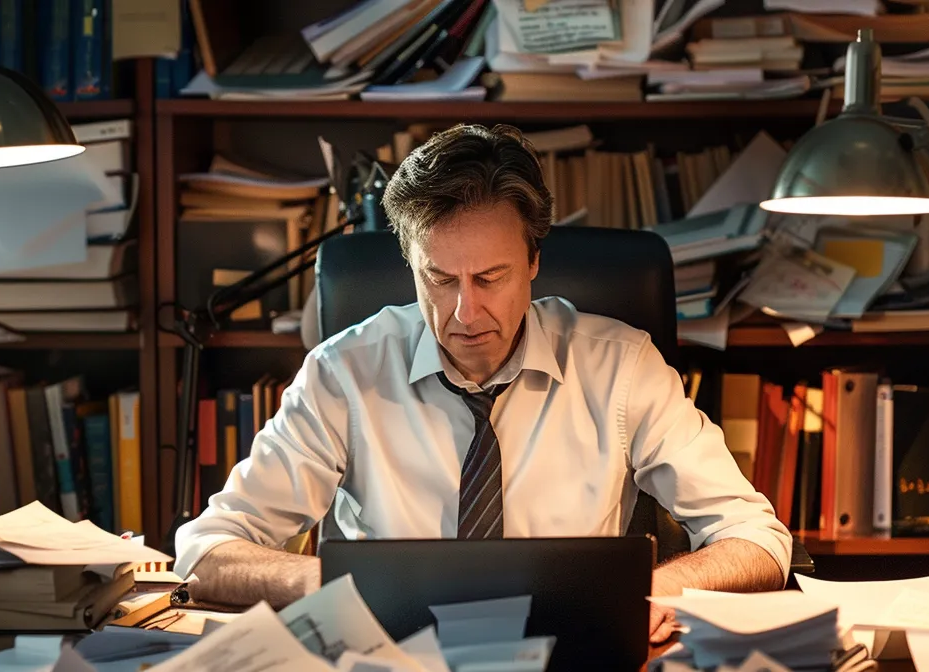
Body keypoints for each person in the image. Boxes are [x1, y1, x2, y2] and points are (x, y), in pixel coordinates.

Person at [175, 123, 790, 643]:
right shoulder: (345, 372)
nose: (465, 314)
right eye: (440, 279)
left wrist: (644, 593)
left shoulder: (621, 367)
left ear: (533, 262)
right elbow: (205, 551)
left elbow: (755, 536)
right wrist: (339, 588)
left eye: (491, 278)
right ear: (411, 267)